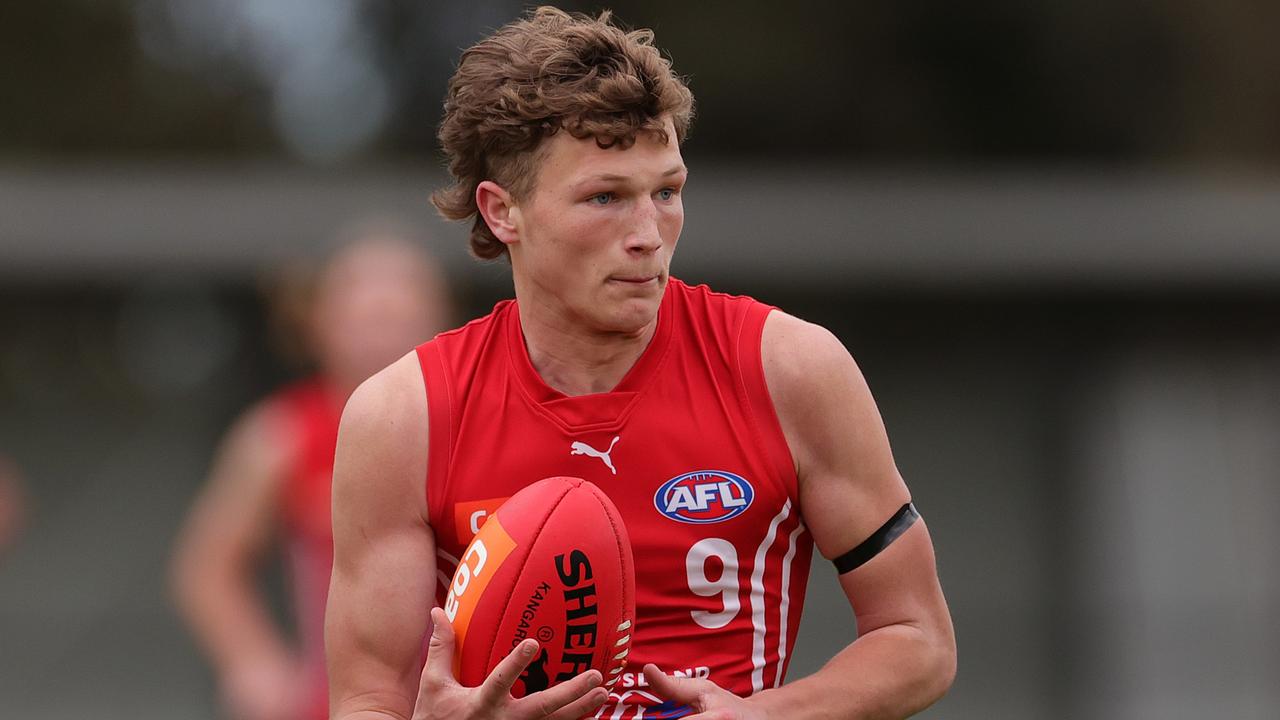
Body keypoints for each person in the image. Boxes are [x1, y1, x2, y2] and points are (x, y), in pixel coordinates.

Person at [327, 7, 956, 720]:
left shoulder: (789, 368)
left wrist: (770, 715)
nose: (648, 235)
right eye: (605, 197)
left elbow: (919, 639)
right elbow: (365, 698)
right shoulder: (404, 416)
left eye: (666, 191)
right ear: (504, 212)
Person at [172, 226, 451, 720]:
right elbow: (208, 565)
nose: (381, 335)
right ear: (317, 322)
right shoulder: (280, 434)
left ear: (440, 321)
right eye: (364, 316)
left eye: (400, 315)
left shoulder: (476, 425)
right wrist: (253, 663)